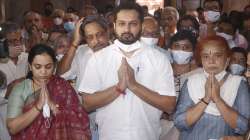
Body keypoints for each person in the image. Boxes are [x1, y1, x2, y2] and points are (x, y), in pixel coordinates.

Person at [78, 2, 176, 140]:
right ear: (114, 26)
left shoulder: (159, 59)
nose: (127, 29)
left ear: (141, 26)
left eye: (133, 24)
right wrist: (119, 87)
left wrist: (134, 85)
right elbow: (87, 104)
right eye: (122, 24)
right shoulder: (98, 59)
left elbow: (170, 106)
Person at [7, 44, 91, 140]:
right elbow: (12, 128)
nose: (43, 72)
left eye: (48, 67)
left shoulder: (62, 85)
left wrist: (54, 108)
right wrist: (38, 106)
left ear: (54, 66)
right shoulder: (20, 89)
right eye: (38, 67)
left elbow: (80, 118)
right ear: (30, 66)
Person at [174, 35, 250, 140]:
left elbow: (243, 127)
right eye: (206, 56)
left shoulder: (239, 84)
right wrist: (206, 99)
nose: (211, 61)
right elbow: (179, 123)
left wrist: (218, 99)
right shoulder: (191, 82)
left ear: (227, 60)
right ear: (201, 59)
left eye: (217, 55)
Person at [57, 15, 110, 140]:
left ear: (108, 32)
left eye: (99, 35)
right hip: (86, 120)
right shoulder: (81, 51)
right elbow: (60, 73)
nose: (96, 41)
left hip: (112, 119)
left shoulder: (119, 52)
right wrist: (75, 42)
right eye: (90, 37)